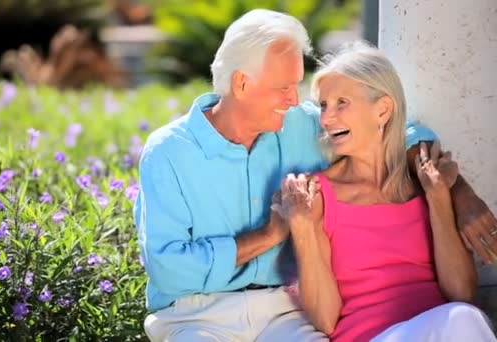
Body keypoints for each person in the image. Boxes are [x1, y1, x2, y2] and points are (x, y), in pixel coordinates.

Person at [134, 9, 497, 341]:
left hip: (282, 313)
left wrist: (458, 194)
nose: (297, 101)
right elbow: (169, 270)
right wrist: (270, 235)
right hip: (197, 314)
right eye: (284, 87)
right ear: (242, 85)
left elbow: (393, 130)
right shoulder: (168, 153)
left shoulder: (299, 125)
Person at [274, 42, 496, 341]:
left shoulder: (424, 185)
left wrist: (439, 199)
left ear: (382, 110)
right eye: (324, 105)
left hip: (444, 331)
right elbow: (326, 320)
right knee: (463, 319)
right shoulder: (317, 195)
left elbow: (461, 292)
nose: (326, 119)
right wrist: (302, 226)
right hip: (371, 336)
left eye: (342, 103)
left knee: (463, 316)